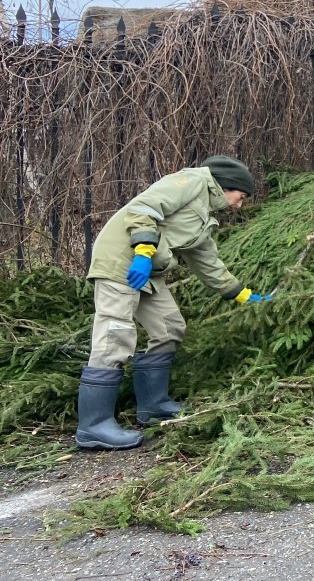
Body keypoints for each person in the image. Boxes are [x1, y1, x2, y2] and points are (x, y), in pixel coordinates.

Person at [74, 156, 272, 450]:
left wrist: (243, 295)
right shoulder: (191, 182)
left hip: (149, 271)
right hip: (122, 262)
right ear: (227, 186)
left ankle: (153, 406)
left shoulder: (205, 215)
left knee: (170, 327)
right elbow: (144, 208)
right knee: (115, 335)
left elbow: (208, 263)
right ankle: (93, 427)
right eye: (240, 197)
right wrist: (142, 253)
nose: (238, 205)